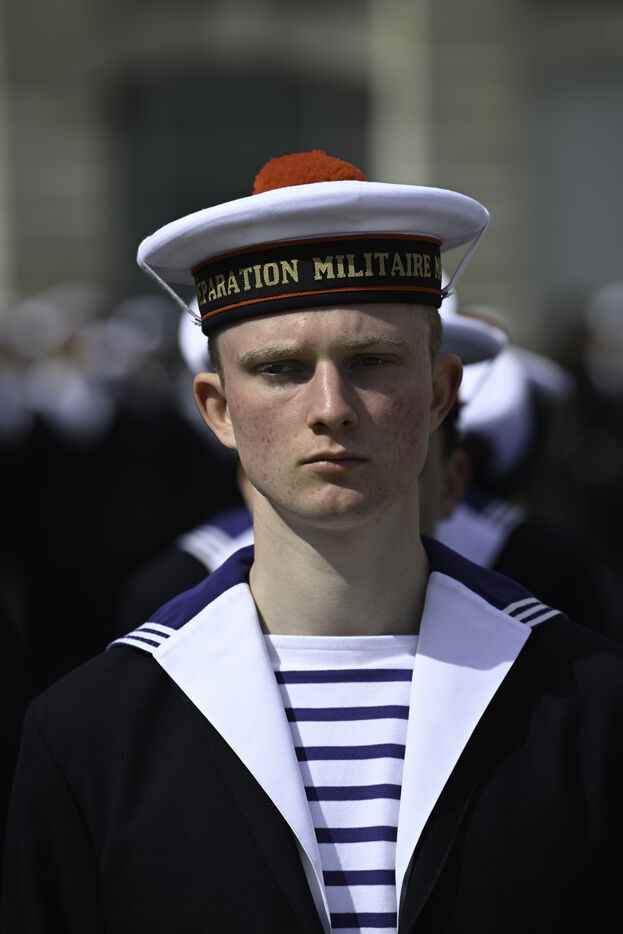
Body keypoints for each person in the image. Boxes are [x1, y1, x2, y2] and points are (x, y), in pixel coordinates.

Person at [3, 151, 623, 934]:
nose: (331, 407)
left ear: (439, 393)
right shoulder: (91, 730)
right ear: (217, 410)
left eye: (370, 362)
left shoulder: (590, 705)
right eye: (280, 369)